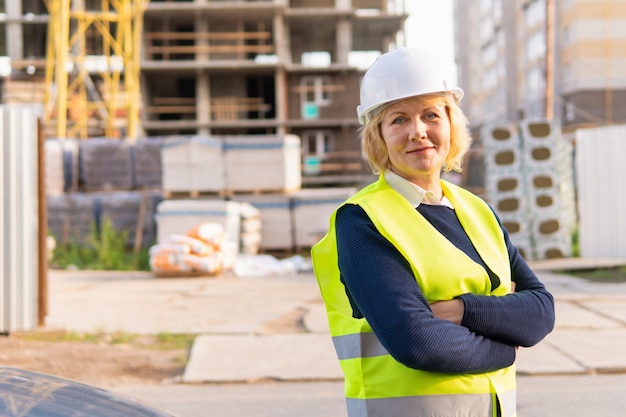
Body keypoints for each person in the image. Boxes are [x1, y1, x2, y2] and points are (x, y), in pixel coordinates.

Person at [310, 47, 555, 417]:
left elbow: (540, 311)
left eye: (430, 115)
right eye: (398, 120)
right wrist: (505, 348)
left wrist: (460, 310)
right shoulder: (363, 220)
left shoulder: (477, 210)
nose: (418, 132)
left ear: (451, 125)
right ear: (378, 136)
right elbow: (417, 341)